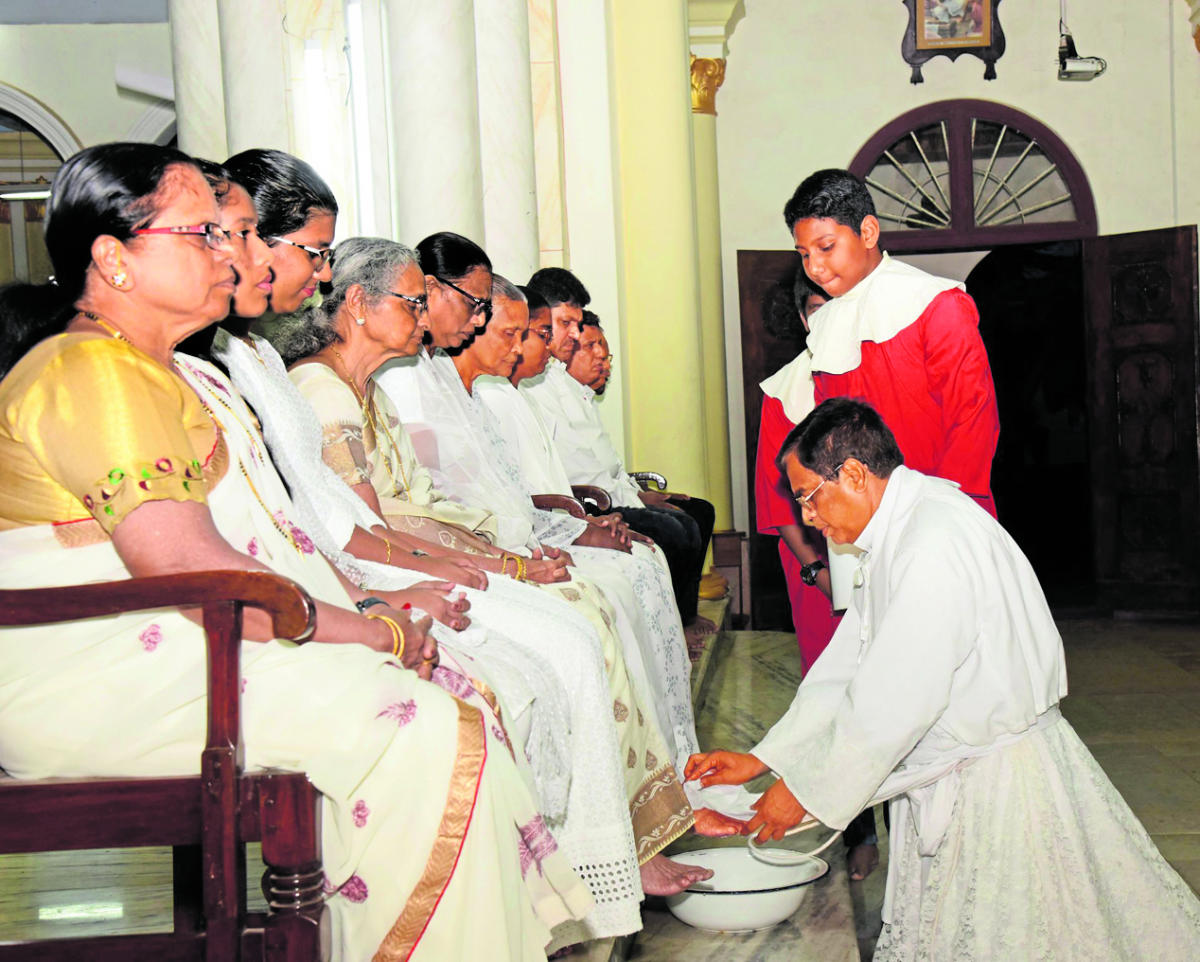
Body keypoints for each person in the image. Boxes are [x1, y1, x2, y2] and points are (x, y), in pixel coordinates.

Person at [0, 142, 589, 961]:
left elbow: (257, 550)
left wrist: (374, 613)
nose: (233, 254)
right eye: (204, 234)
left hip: (171, 652)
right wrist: (376, 630)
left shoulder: (158, 370)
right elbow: (196, 574)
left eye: (230, 233)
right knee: (420, 725)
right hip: (94, 680)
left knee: (448, 697)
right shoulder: (92, 372)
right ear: (113, 258)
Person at [270, 233, 715, 904]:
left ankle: (614, 840)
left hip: (415, 554)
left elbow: (424, 505)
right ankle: (570, 857)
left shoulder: (368, 388)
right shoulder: (325, 391)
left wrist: (507, 552)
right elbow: (367, 533)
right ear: (359, 305)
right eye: (415, 302)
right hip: (380, 578)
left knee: (587, 612)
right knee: (570, 635)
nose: (430, 318)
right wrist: (499, 560)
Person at [686, 398, 1200, 961]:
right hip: (961, 771)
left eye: (808, 495)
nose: (807, 517)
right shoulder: (898, 530)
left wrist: (806, 793)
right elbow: (850, 665)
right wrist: (769, 759)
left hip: (998, 787)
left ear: (854, 473)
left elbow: (894, 700)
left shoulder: (933, 541)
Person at [783, 169, 1000, 518]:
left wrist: (942, 508)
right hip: (855, 513)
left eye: (825, 248)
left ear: (867, 232)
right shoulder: (823, 325)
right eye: (804, 254)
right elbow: (829, 430)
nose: (815, 267)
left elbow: (972, 420)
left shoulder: (936, 303)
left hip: (938, 505)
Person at [520, 270, 717, 635]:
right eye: (566, 324)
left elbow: (603, 463)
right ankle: (670, 627)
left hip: (606, 496)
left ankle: (681, 619)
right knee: (676, 530)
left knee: (697, 513)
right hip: (587, 504)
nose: (577, 338)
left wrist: (640, 494)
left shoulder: (566, 384)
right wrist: (608, 508)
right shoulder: (533, 387)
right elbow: (570, 474)